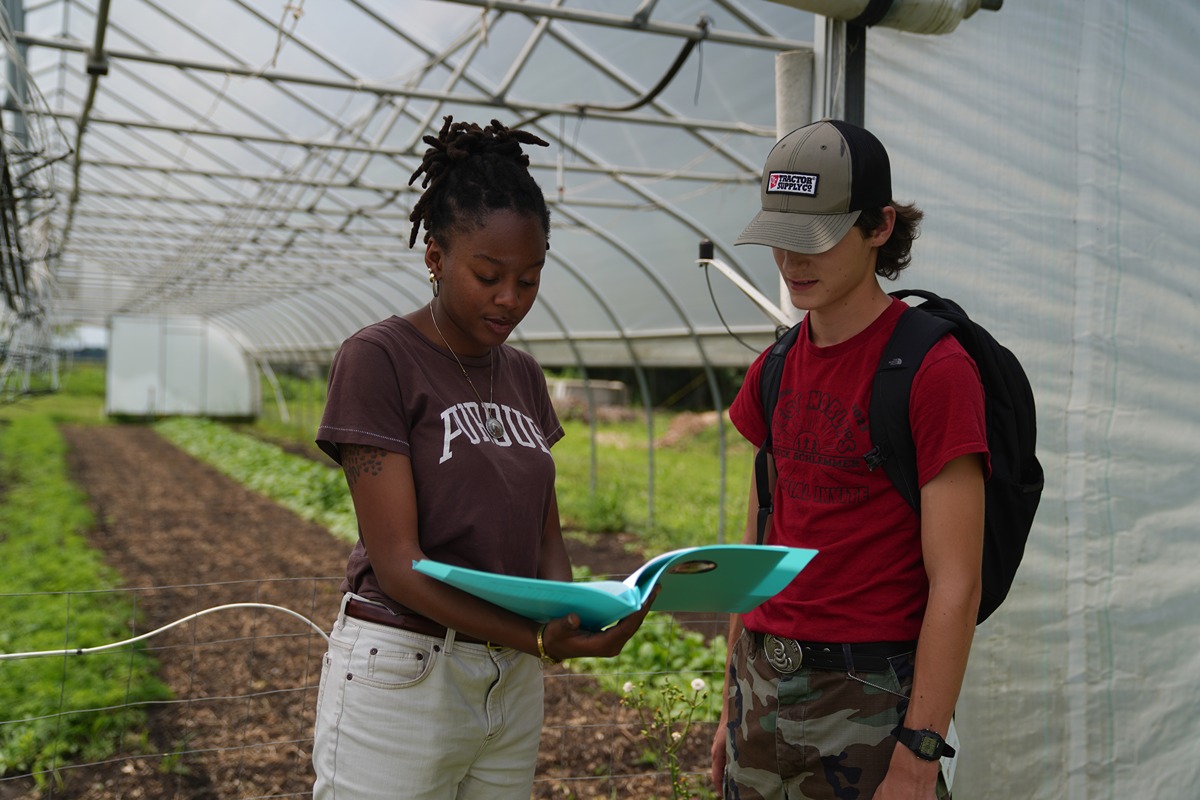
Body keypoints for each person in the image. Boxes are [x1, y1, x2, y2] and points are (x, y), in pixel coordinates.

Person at [311, 117, 654, 800]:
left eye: (529, 279)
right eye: (489, 275)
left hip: (511, 679)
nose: (510, 299)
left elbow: (544, 529)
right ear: (435, 256)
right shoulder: (379, 359)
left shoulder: (523, 376)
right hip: (406, 667)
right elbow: (399, 567)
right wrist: (541, 641)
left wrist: (576, 610)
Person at [709, 119, 989, 800]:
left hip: (868, 704)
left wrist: (919, 756)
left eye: (818, 239)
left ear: (879, 226)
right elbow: (755, 552)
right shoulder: (772, 369)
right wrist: (730, 710)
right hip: (761, 692)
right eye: (780, 237)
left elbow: (956, 583)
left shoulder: (933, 370)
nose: (791, 261)